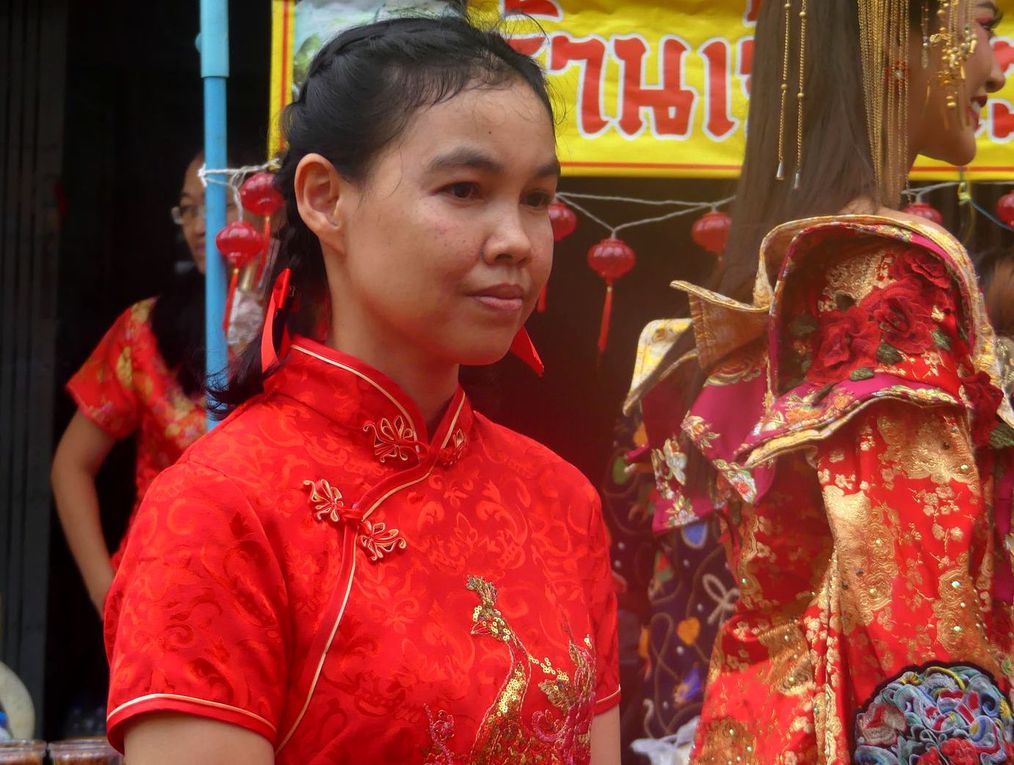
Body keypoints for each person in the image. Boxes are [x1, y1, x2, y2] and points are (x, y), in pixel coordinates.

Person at [103, 15, 621, 765]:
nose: (517, 239)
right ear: (323, 198)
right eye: (466, 189)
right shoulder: (220, 511)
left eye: (537, 199)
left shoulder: (562, 501)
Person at [626, 0, 1012, 761]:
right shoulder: (887, 276)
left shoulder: (779, 276)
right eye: (982, 20)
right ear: (891, 32)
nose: (996, 69)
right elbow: (918, 611)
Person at [50, 151, 230, 614]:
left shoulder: (310, 326)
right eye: (189, 208)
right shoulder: (144, 330)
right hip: (163, 600)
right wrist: (105, 591)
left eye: (220, 204)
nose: (198, 226)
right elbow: (71, 466)